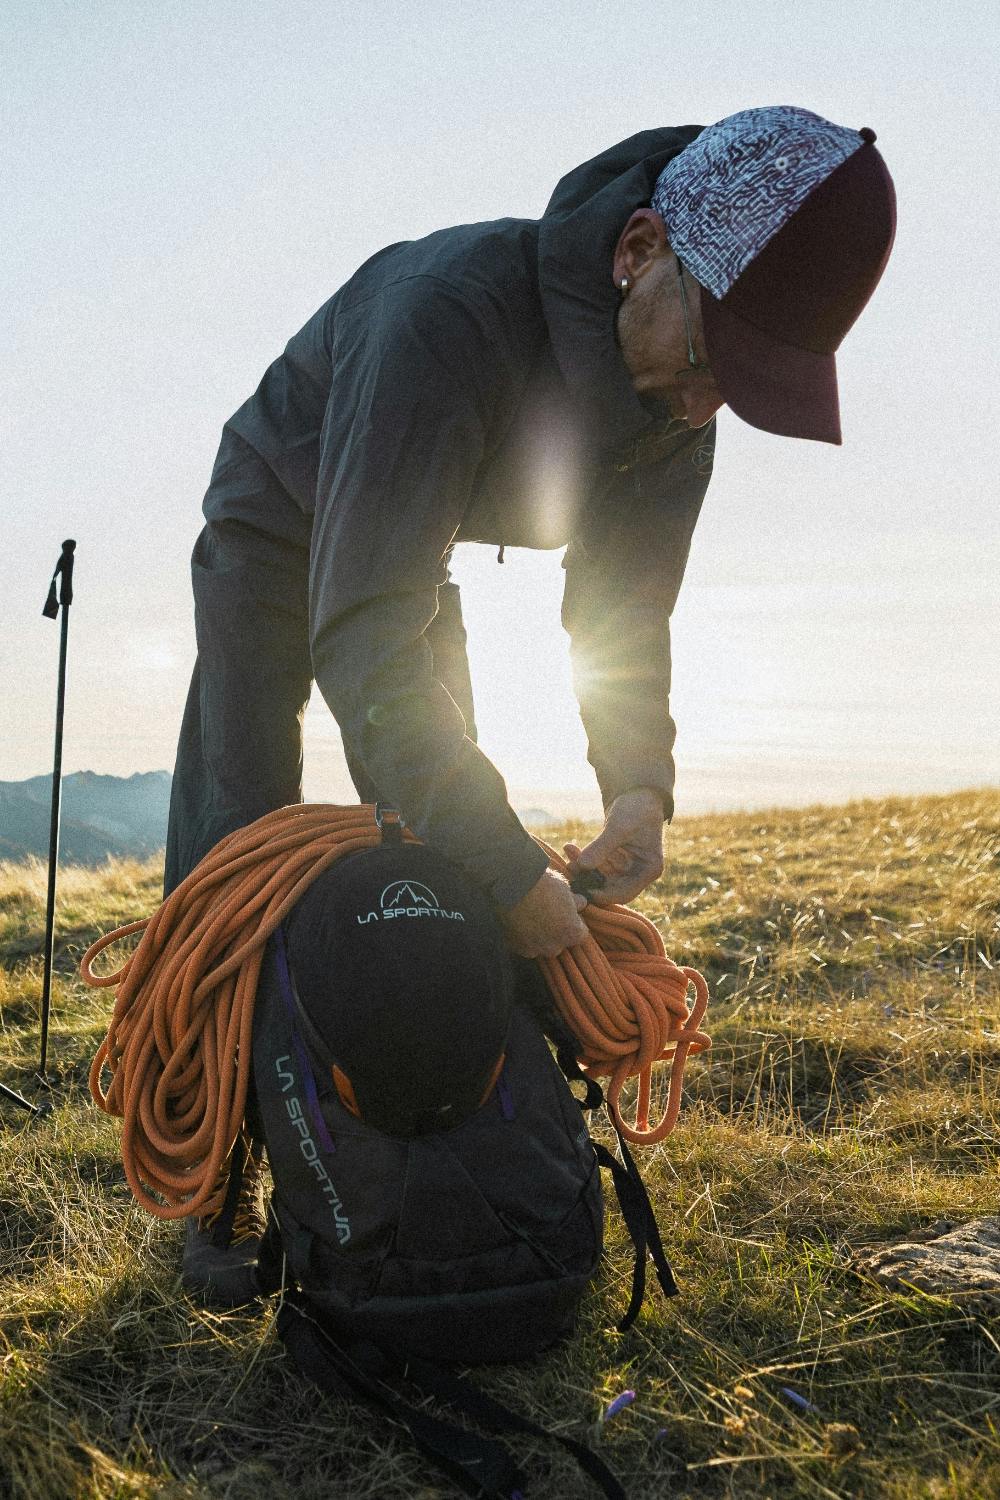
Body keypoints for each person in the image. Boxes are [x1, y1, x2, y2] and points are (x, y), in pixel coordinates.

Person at [167, 106, 895, 1296]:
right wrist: (511, 872)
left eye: (748, 384)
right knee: (241, 836)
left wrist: (638, 788)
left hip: (410, 544)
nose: (711, 401)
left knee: (430, 842)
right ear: (639, 249)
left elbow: (622, 615)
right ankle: (213, 1175)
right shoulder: (445, 318)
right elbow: (365, 639)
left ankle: (410, 1114)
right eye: (714, 357)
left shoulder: (676, 403)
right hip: (277, 517)